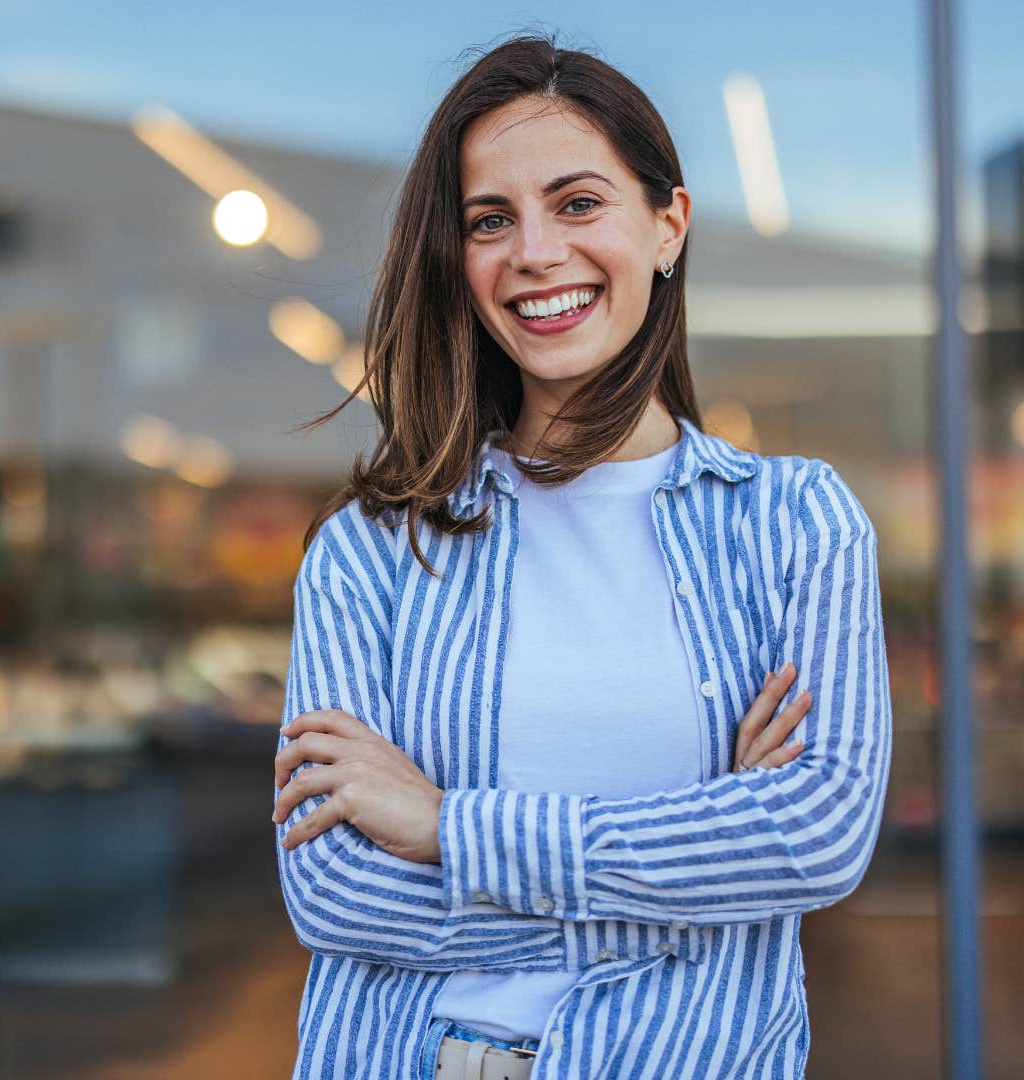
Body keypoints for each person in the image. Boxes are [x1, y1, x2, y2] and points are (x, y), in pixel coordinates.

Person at [269, 35, 891, 1080]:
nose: (535, 254)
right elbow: (333, 890)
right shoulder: (371, 552)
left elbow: (815, 837)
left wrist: (447, 828)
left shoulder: (796, 524)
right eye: (489, 221)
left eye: (579, 203)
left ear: (667, 227)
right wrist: (696, 881)